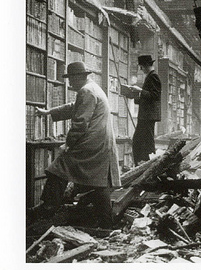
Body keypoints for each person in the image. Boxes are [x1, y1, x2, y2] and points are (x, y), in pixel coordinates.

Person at [32, 62, 121, 228]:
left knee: (57, 169)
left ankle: (46, 211)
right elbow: (75, 107)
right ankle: (107, 225)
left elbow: (80, 123)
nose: (70, 83)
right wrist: (50, 112)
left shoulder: (86, 91)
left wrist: (68, 144)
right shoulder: (93, 88)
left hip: (92, 144)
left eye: (71, 79)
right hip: (101, 144)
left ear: (79, 77)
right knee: (98, 182)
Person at [129, 55, 161, 165]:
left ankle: (145, 164)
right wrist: (134, 96)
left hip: (148, 116)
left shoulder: (153, 76)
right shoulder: (150, 76)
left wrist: (140, 90)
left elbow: (155, 96)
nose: (141, 69)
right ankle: (143, 164)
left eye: (141, 67)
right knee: (143, 142)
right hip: (146, 115)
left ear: (146, 65)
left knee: (142, 142)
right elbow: (148, 97)